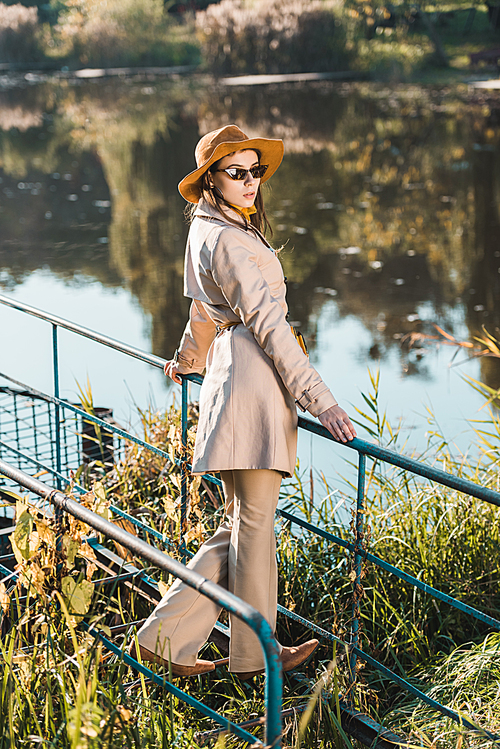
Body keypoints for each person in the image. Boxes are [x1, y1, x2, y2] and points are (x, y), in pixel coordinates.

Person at [131, 124, 357, 679]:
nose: (252, 181)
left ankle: (163, 638)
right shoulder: (228, 238)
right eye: (238, 172)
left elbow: (204, 313)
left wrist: (187, 359)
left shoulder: (209, 228)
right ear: (211, 178)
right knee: (254, 524)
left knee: (240, 523)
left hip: (229, 379)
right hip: (253, 381)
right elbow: (269, 326)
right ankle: (256, 658)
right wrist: (320, 398)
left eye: (256, 170)